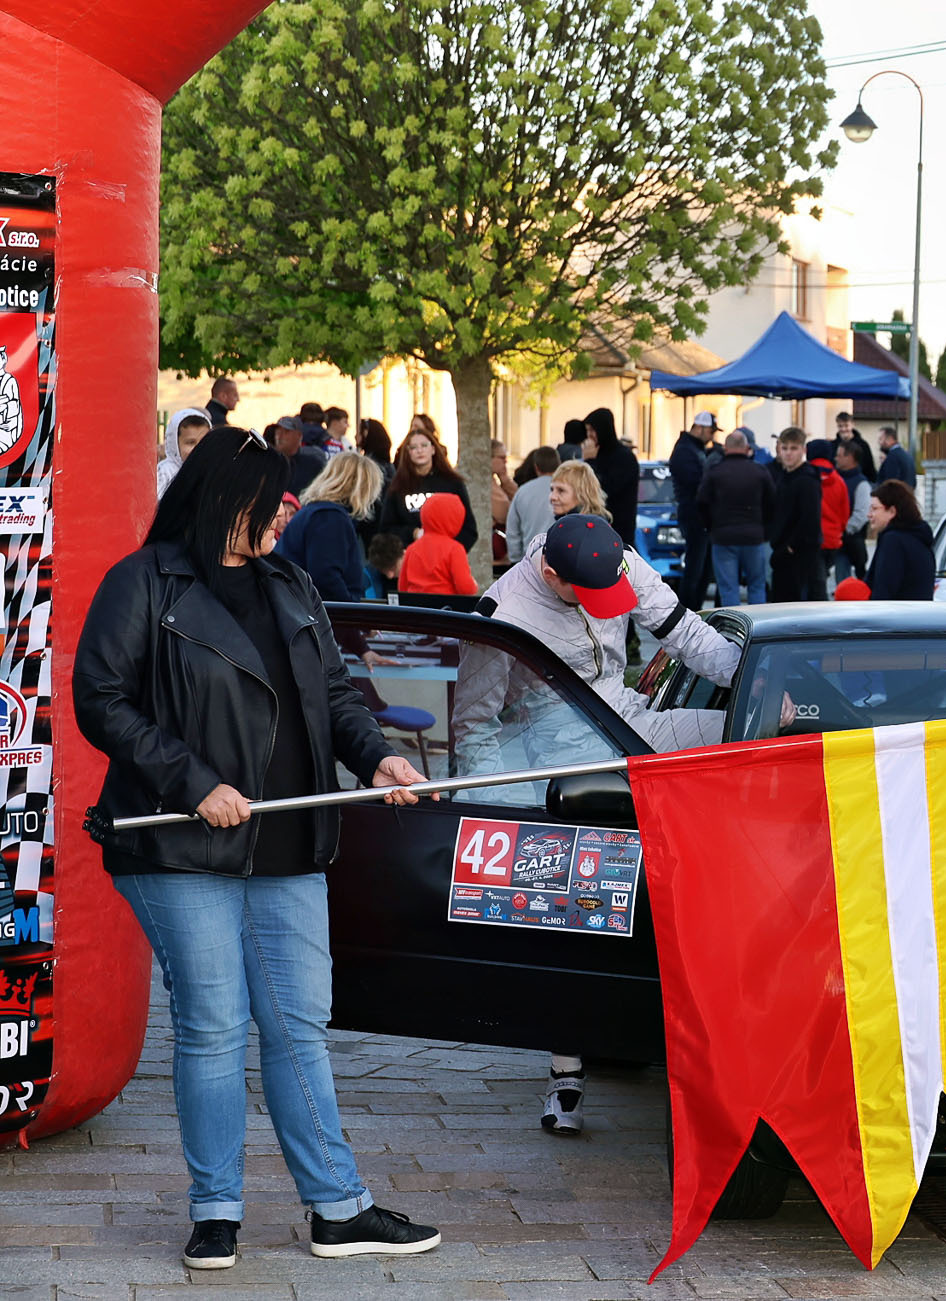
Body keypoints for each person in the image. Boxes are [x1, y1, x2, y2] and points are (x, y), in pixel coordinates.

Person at [73, 428, 438, 1269]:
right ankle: (216, 1211)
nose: (283, 514)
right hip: (180, 843)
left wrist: (375, 755)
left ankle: (338, 1207)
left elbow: (335, 694)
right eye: (269, 501)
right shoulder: (144, 580)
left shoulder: (291, 581)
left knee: (297, 1024)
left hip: (287, 841)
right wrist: (192, 781)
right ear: (222, 498)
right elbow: (101, 698)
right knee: (211, 1024)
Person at [457, 512, 740, 1135]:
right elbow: (474, 726)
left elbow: (687, 634)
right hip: (563, 767)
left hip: (631, 721)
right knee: (578, 913)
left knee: (743, 738)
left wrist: (756, 684)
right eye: (586, 594)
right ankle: (566, 1072)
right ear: (549, 573)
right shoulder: (501, 615)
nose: (603, 601)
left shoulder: (614, 557)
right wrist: (504, 811)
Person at [276, 453, 384, 604]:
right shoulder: (329, 517)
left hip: (297, 604)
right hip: (318, 612)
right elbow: (326, 578)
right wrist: (350, 611)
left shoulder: (317, 512)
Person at [699, 431, 774, 606]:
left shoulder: (715, 473)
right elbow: (772, 503)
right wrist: (764, 530)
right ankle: (758, 622)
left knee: (728, 589)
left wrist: (710, 527)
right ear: (747, 448)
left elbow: (702, 503)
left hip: (723, 537)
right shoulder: (760, 471)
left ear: (725, 448)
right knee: (757, 586)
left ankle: (733, 622)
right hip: (754, 537)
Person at [376, 429, 477, 553]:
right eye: (414, 447)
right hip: (411, 555)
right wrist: (413, 533)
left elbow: (469, 529)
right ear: (408, 452)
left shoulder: (453, 483)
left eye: (424, 445)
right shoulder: (397, 486)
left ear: (433, 449)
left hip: (446, 556)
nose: (420, 450)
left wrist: (450, 550)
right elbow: (386, 530)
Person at [668, 410, 720, 610]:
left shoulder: (695, 449)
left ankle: (695, 609)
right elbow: (696, 484)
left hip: (700, 515)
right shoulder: (685, 451)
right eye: (711, 431)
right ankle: (688, 611)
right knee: (695, 569)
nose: (712, 436)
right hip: (693, 515)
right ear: (699, 427)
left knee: (702, 569)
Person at [769, 427, 821, 603]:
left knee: (794, 604)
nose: (788, 453)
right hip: (781, 550)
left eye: (793, 448)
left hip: (799, 554)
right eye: (785, 448)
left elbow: (810, 520)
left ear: (803, 450)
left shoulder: (807, 480)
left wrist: (790, 547)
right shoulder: (783, 477)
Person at [864, 479, 935, 602]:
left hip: (896, 613)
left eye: (874, 509)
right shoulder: (919, 538)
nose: (869, 515)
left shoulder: (893, 541)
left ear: (892, 511)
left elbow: (884, 589)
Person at [397, 494, 478, 598]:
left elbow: (402, 587)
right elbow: (465, 588)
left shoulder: (411, 549)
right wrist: (473, 585)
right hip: (445, 605)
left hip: (415, 605)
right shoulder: (455, 549)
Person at [581, 407, 638, 526]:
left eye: (592, 430)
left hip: (618, 525)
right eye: (587, 430)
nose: (589, 435)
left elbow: (604, 488)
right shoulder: (596, 452)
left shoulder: (624, 456)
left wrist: (590, 461)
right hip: (595, 522)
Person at [809, 438, 850, 599]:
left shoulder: (806, 477)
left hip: (812, 539)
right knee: (821, 578)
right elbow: (845, 513)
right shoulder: (839, 481)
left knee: (813, 584)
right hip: (832, 539)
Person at [504, 447, 560, 560]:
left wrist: (516, 559)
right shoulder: (566, 490)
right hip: (559, 557)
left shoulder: (522, 491)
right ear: (559, 465)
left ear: (536, 467)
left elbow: (512, 530)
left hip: (530, 558)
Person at [833, 441, 872, 585]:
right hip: (838, 540)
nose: (836, 458)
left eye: (839, 455)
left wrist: (844, 530)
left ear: (850, 458)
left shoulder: (861, 484)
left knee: (848, 579)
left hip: (851, 540)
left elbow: (861, 514)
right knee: (841, 578)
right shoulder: (835, 479)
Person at [158, 409, 212, 500]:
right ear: (174, 444)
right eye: (191, 442)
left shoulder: (209, 471)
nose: (198, 448)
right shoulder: (165, 474)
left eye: (204, 442)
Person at [273, 417, 329, 496]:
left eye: (286, 431)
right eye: (278, 431)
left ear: (299, 436)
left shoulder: (313, 465)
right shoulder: (268, 462)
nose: (279, 436)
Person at [835, 411, 877, 481]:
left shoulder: (863, 445)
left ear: (852, 425)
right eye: (840, 426)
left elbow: (869, 468)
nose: (843, 429)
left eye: (846, 425)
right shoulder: (833, 445)